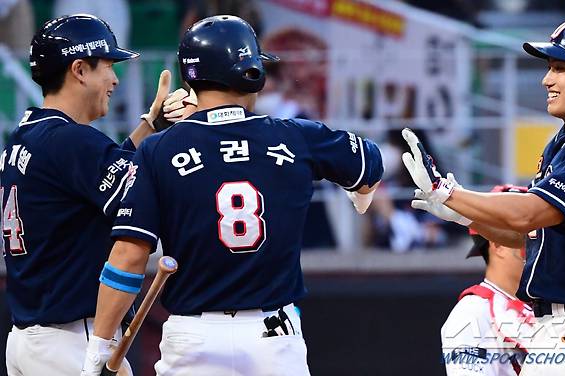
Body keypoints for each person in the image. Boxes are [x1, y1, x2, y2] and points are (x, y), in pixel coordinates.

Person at [82, 15, 383, 376]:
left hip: (192, 336)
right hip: (273, 337)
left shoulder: (159, 149)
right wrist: (360, 193)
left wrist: (99, 346)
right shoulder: (296, 136)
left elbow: (127, 256)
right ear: (252, 72)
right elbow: (369, 163)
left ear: (190, 78)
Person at [405, 20, 565, 374]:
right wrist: (466, 216)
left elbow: (529, 215)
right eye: (549, 68)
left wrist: (449, 191)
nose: (547, 80)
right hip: (561, 327)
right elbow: (529, 236)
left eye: (560, 68)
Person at [1, 14, 192, 376]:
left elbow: (99, 174)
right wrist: (188, 133)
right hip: (72, 340)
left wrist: (151, 126)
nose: (115, 79)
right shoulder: (71, 140)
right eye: (107, 65)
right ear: (79, 69)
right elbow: (141, 193)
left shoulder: (26, 134)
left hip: (29, 340)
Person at [441, 185, 534, 376]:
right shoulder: (472, 313)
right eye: (528, 237)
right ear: (498, 243)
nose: (538, 247)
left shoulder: (556, 305)